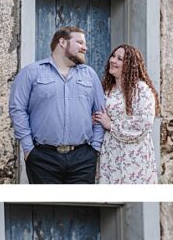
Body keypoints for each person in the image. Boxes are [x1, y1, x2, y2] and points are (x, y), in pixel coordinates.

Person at [9, 26, 106, 184]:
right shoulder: (31, 73)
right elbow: (17, 109)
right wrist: (28, 149)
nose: (85, 47)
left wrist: (95, 148)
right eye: (80, 42)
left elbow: (101, 111)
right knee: (47, 207)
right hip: (43, 158)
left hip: (83, 158)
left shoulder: (89, 74)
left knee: (81, 208)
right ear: (62, 42)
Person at [93, 45, 160, 184]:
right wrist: (95, 119)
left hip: (133, 156)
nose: (113, 60)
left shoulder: (141, 90)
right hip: (110, 155)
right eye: (113, 56)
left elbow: (143, 124)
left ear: (129, 64)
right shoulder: (106, 89)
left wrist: (110, 124)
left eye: (119, 59)